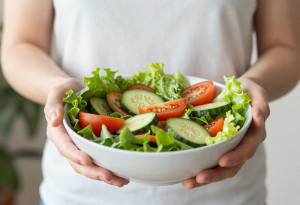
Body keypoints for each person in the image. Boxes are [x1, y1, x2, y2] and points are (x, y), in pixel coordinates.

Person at [2, 0, 300, 204]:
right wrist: (59, 91)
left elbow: (285, 47)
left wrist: (250, 90)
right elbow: (21, 44)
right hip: (80, 194)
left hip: (226, 194)